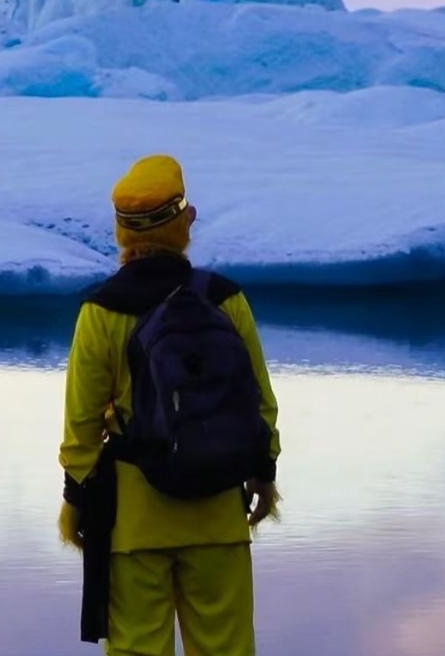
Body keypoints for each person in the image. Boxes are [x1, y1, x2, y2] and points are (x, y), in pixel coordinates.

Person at [59, 154, 281, 656]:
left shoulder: (100, 310)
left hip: (134, 523)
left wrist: (76, 503)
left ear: (122, 233)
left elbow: (80, 430)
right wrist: (263, 475)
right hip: (220, 512)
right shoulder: (226, 299)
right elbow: (260, 405)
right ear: (184, 222)